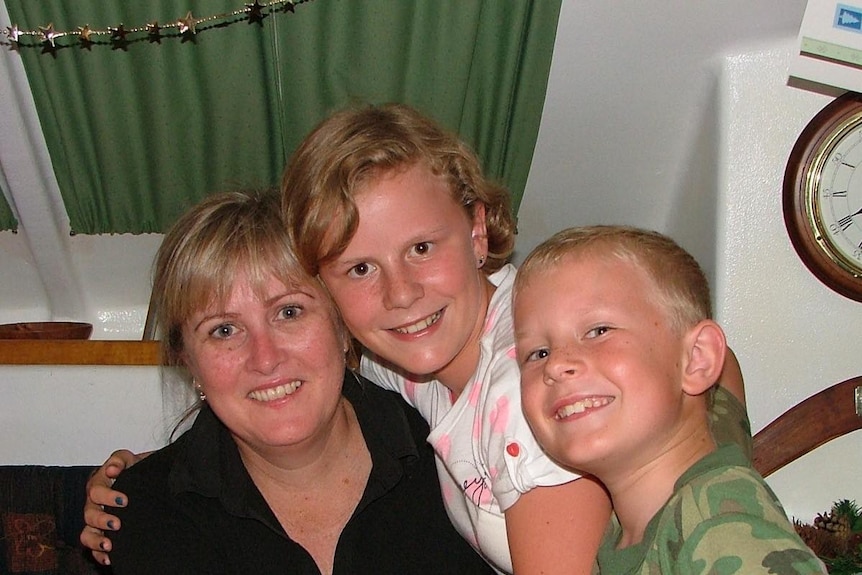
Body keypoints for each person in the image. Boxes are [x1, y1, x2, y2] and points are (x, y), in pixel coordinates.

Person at [82, 105, 750, 574]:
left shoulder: (529, 380)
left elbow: (692, 351)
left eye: (288, 312)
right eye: (360, 268)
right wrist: (141, 476)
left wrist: (710, 441)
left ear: (478, 231)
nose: (399, 294)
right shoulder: (403, 363)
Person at [100, 189, 495, 574]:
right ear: (188, 361)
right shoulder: (144, 511)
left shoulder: (458, 449)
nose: (266, 358)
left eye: (289, 312)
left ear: (343, 328)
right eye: (223, 330)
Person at [512, 225, 826, 574]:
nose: (556, 364)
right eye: (537, 353)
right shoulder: (627, 532)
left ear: (697, 360)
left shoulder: (721, 525)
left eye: (598, 331)